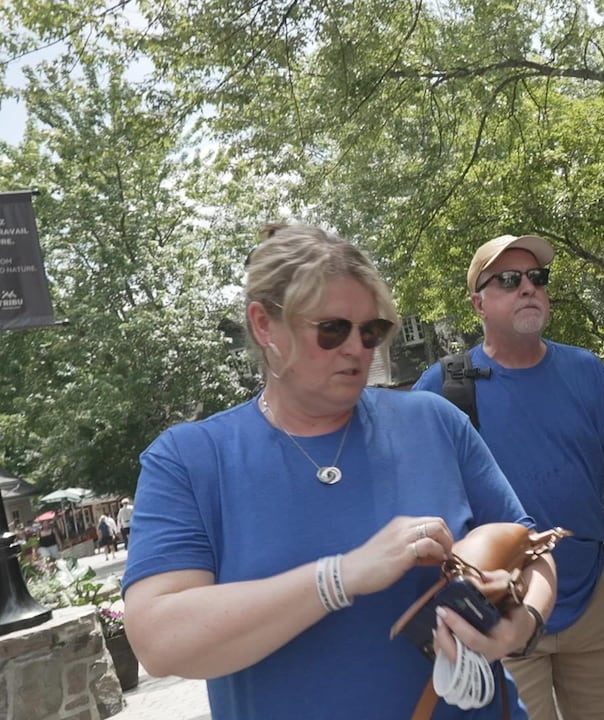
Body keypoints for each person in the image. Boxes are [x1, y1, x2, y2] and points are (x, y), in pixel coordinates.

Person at [122, 224, 555, 720]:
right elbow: (159, 641)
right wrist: (341, 576)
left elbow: (535, 549)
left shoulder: (434, 421)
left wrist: (522, 626)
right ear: (264, 326)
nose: (357, 348)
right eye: (332, 330)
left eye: (371, 331)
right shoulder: (189, 459)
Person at [412, 234, 604, 720]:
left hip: (593, 598)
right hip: (499, 608)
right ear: (478, 303)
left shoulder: (586, 370)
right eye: (508, 280)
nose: (528, 288)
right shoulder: (441, 388)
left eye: (537, 278)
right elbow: (412, 494)